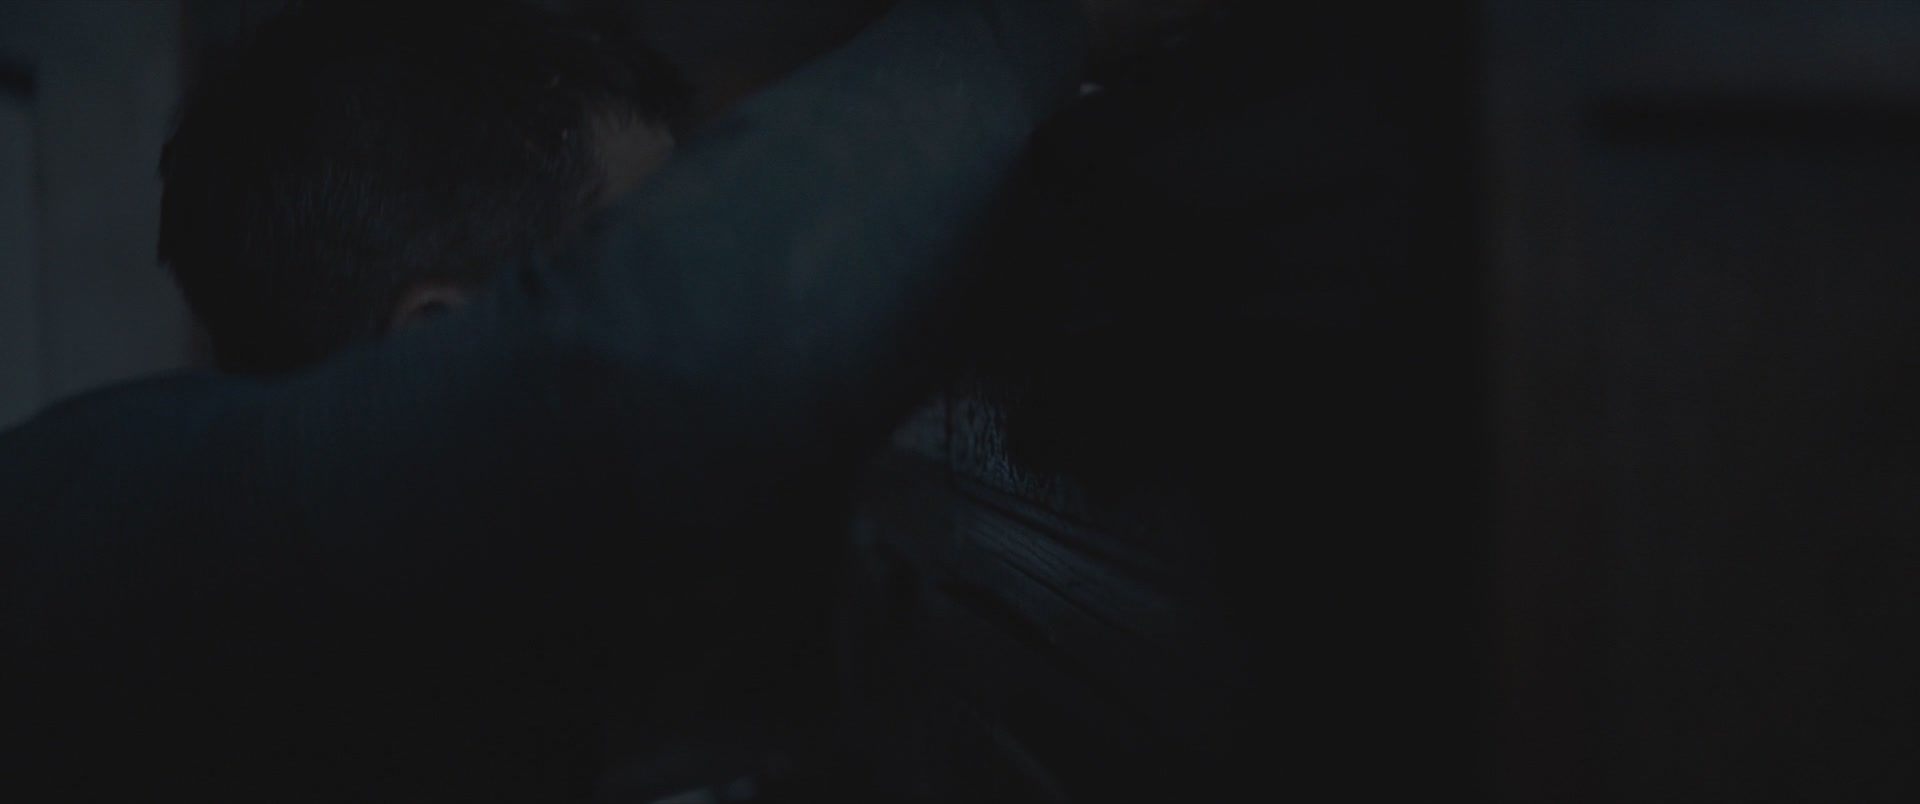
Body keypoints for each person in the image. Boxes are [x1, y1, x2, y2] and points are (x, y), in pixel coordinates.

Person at [0, 0, 1219, 800]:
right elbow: (656, 362)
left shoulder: (423, 636)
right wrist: (1036, 24)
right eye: (643, 241)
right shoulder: (97, 539)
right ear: (438, 339)